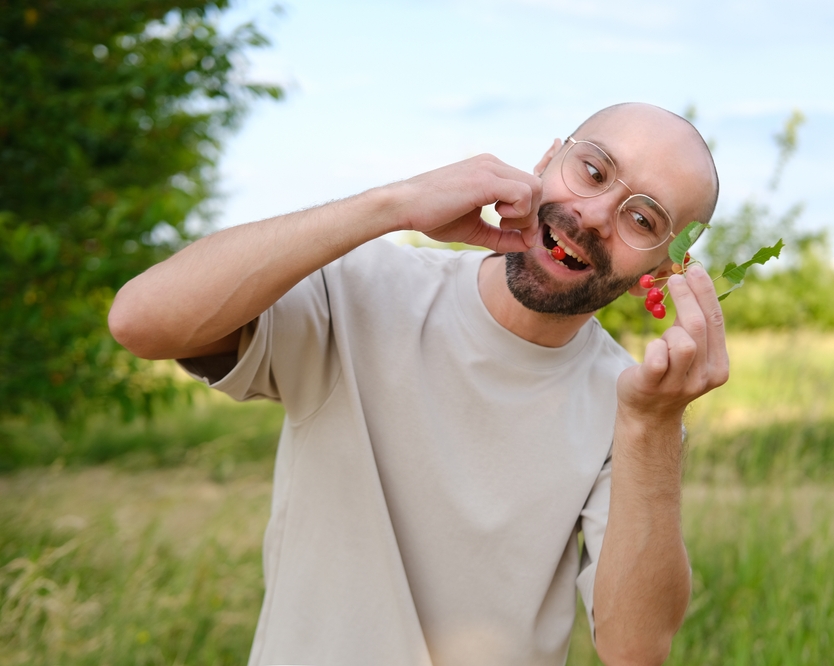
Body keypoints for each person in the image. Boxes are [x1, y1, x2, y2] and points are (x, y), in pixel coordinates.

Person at [109, 102, 726, 666]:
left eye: (642, 219)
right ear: (548, 160)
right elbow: (139, 321)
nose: (592, 216)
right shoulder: (364, 286)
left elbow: (635, 649)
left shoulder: (633, 406)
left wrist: (652, 426)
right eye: (592, 172)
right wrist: (395, 205)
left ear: (666, 267)